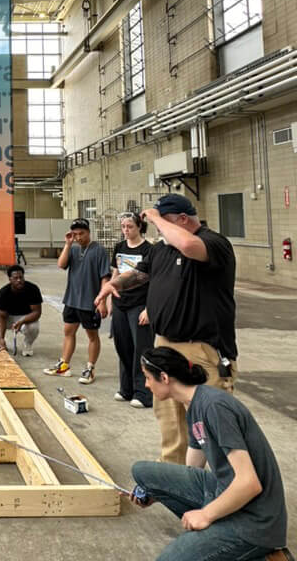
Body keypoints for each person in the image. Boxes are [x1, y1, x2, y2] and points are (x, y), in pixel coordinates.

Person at [95, 194, 238, 464]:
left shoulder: (213, 243)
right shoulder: (162, 249)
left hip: (202, 349)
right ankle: (175, 478)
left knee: (211, 424)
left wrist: (156, 218)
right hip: (165, 345)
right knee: (171, 422)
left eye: (164, 223)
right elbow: (140, 272)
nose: (159, 230)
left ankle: (227, 487)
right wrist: (116, 284)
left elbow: (187, 244)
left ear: (183, 219)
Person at [131, 347, 287, 561]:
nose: (146, 384)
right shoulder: (193, 403)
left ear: (164, 378)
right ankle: (214, 538)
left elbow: (250, 483)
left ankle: (256, 554)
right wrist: (157, 492)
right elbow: (192, 469)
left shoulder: (214, 407)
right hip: (224, 489)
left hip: (254, 520)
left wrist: (206, 515)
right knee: (142, 472)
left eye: (148, 378)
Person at [44, 218, 110, 383]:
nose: (78, 237)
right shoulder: (72, 250)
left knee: (92, 336)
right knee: (68, 332)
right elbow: (61, 265)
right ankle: (64, 365)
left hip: (90, 302)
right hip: (72, 300)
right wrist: (67, 244)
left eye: (82, 233)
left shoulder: (99, 251)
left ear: (88, 232)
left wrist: (102, 301)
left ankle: (90, 368)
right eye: (75, 234)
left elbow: (105, 277)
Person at [106, 212, 153, 409]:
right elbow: (115, 274)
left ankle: (143, 393)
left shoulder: (149, 249)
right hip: (120, 304)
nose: (126, 231)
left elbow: (154, 282)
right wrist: (109, 299)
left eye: (130, 227)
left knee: (140, 348)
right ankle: (126, 389)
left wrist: (149, 309)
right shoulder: (119, 247)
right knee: (123, 346)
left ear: (139, 227)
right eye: (123, 227)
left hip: (139, 304)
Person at [0, 265, 42, 356]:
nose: (19, 280)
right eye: (15, 278)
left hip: (25, 318)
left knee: (33, 327)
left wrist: (21, 321)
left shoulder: (32, 289)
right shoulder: (4, 292)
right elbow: (2, 316)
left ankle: (28, 344)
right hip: (8, 318)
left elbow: (37, 313)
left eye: (21, 277)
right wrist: (1, 338)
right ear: (10, 279)